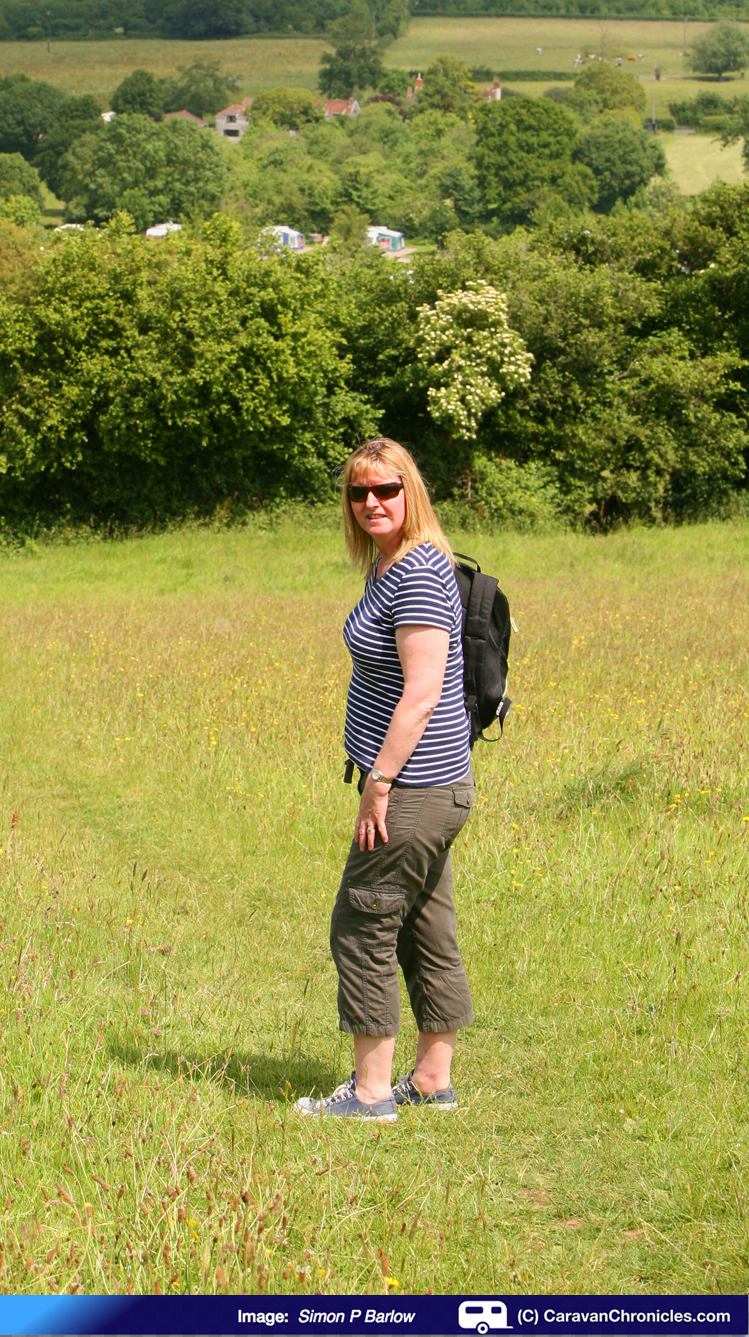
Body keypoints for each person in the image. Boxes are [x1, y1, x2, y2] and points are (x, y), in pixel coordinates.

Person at [296, 437, 474, 1123]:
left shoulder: (418, 571)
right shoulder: (388, 563)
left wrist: (379, 783)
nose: (371, 502)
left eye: (386, 489)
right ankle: (431, 1080)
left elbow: (422, 693)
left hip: (413, 788)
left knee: (362, 919)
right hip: (431, 787)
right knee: (424, 925)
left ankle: (370, 1095)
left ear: (410, 492)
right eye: (358, 492)